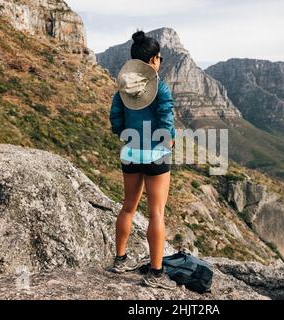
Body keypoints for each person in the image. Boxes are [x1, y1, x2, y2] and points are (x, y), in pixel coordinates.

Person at [108, 30, 177, 290]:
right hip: (156, 153)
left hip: (131, 152)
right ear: (154, 60)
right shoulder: (160, 86)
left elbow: (116, 119)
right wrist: (168, 139)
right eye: (159, 57)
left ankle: (120, 260)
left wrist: (125, 134)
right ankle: (156, 274)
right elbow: (165, 117)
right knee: (156, 213)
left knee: (128, 207)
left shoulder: (124, 89)